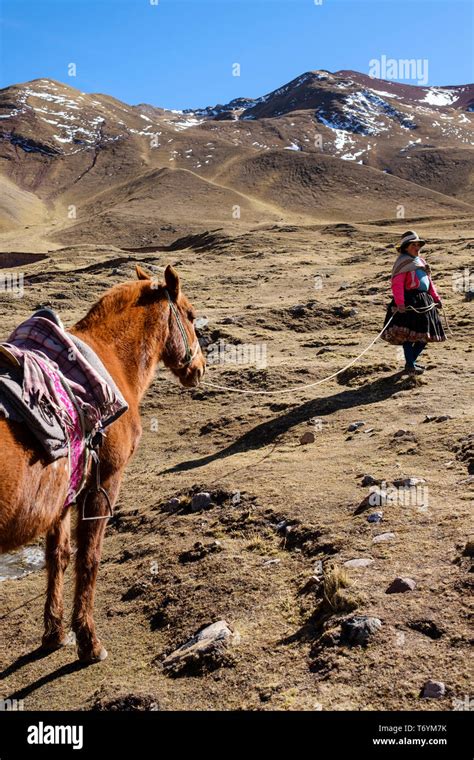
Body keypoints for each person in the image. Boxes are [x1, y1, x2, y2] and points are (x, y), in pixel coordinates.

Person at [381, 231, 446, 374]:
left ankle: (411, 363)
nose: (417, 247)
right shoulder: (403, 262)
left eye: (418, 245)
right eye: (413, 245)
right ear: (405, 248)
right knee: (408, 336)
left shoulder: (421, 262)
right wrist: (400, 303)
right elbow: (397, 284)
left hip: (424, 301)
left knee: (424, 336)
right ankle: (410, 365)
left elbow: (429, 283)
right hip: (409, 301)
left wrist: (436, 298)